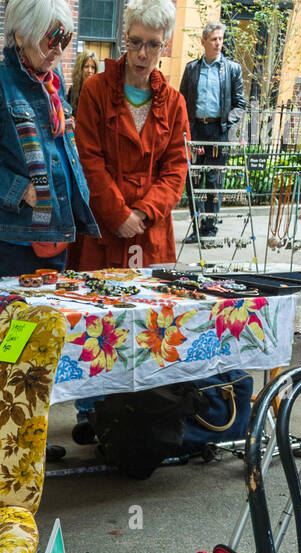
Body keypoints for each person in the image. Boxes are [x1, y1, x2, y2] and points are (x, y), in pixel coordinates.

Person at [71, 0, 188, 444]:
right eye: (135, 43)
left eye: (152, 45)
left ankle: (139, 414)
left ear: (165, 46)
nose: (142, 53)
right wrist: (118, 214)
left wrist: (143, 213)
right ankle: (90, 411)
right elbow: (88, 159)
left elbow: (175, 169)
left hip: (151, 233)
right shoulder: (96, 91)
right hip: (106, 229)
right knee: (98, 323)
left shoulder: (174, 102)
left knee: (147, 322)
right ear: (125, 40)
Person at [0, 0, 99, 280]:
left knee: (49, 322)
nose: (58, 49)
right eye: (50, 39)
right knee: (16, 323)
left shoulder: (53, 80)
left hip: (55, 236)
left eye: (64, 39)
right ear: (21, 35)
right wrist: (21, 190)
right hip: (12, 245)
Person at [179, 21, 245, 238]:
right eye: (214, 39)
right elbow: (181, 102)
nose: (219, 44)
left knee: (214, 180)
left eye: (221, 39)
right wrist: (185, 131)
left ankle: (210, 227)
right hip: (196, 130)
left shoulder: (232, 69)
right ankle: (197, 227)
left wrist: (228, 122)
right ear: (203, 42)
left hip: (218, 131)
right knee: (194, 181)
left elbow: (240, 104)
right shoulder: (191, 69)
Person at [69, 49, 99, 114]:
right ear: (79, 69)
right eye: (86, 66)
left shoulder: (100, 92)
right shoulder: (73, 90)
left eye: (93, 67)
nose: (90, 71)